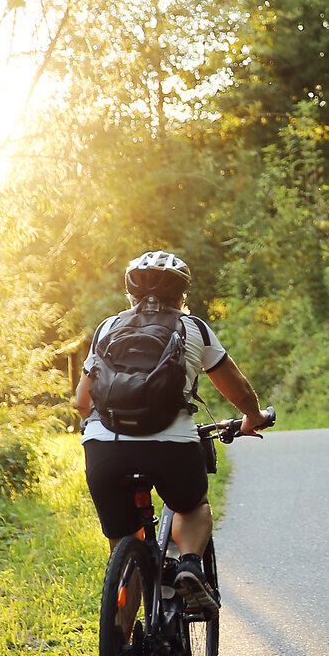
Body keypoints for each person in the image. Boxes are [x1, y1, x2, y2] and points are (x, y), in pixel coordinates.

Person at [73, 251, 270, 612]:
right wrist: (253, 416)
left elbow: (81, 401)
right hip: (171, 444)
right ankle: (191, 565)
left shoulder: (107, 328)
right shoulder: (193, 328)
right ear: (182, 294)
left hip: (104, 446)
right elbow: (237, 389)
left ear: (130, 293)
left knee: (123, 547)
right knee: (192, 507)